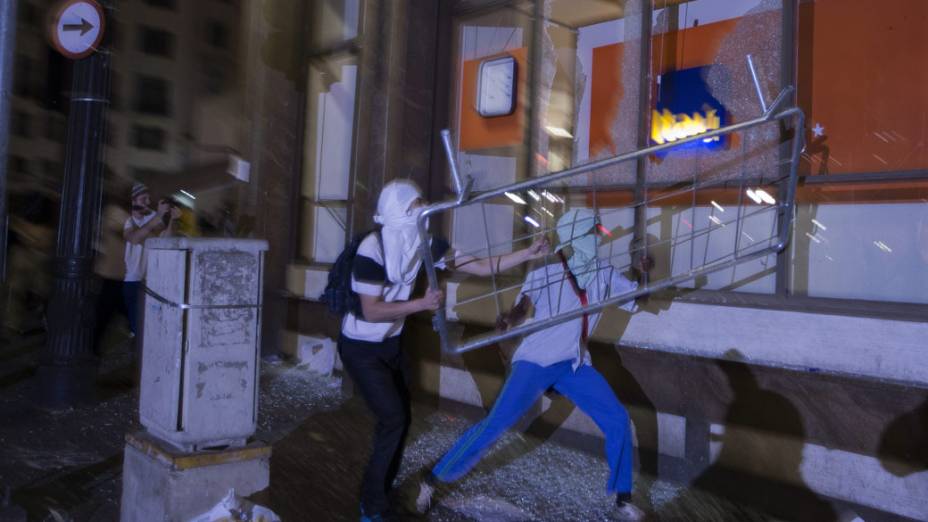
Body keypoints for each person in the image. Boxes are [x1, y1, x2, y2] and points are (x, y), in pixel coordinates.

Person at [415, 208, 649, 521]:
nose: (598, 238)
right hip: (536, 360)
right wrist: (508, 319)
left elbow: (638, 299)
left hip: (574, 364)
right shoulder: (546, 272)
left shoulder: (604, 272)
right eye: (593, 232)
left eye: (597, 232)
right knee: (496, 424)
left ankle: (622, 498)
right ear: (575, 237)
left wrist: (643, 272)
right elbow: (522, 308)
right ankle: (432, 478)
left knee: (618, 419)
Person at [340, 179, 548, 522]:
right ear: (397, 212)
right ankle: (371, 506)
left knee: (400, 420)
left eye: (423, 202)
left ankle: (378, 492)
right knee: (393, 419)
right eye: (415, 205)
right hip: (360, 347)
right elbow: (372, 309)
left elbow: (479, 265)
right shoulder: (371, 250)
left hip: (390, 343)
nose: (424, 210)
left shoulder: (425, 243)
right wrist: (420, 303)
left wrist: (527, 253)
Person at [122, 182, 180, 337]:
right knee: (136, 324)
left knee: (144, 322)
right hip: (130, 278)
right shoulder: (127, 220)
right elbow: (134, 238)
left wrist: (173, 220)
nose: (148, 202)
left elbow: (165, 241)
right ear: (133, 201)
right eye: (143, 199)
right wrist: (159, 215)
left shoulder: (153, 217)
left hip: (149, 278)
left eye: (148, 199)